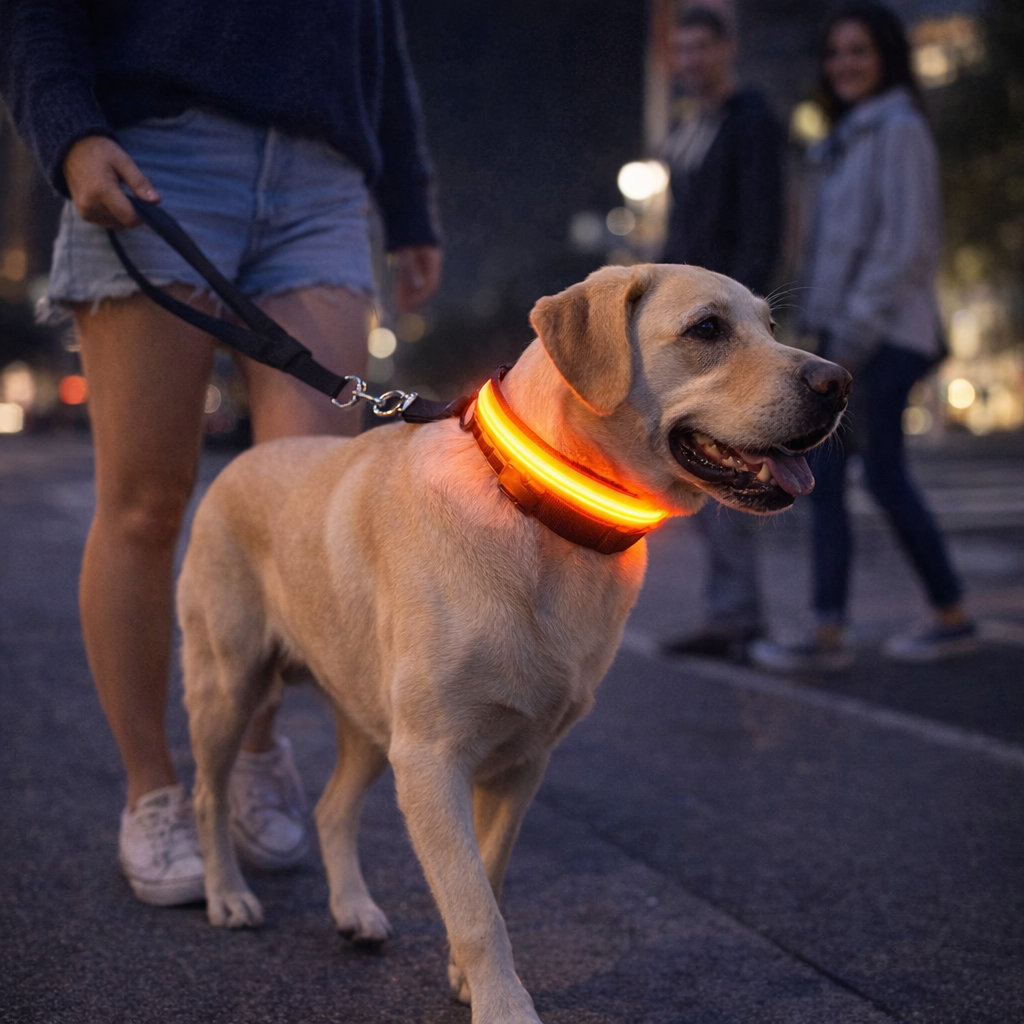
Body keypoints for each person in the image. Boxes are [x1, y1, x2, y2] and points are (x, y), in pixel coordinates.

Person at [0, 0, 441, 905]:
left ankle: (251, 751)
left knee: (306, 521)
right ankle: (154, 792)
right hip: (159, 149)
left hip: (323, 178)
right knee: (144, 503)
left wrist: (410, 205)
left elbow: (379, 38)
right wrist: (68, 130)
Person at [750, 2, 976, 673]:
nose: (844, 64)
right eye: (836, 53)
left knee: (872, 473)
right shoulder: (842, 139)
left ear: (886, 58)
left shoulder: (899, 129)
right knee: (845, 473)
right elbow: (826, 252)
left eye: (859, 52)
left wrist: (848, 336)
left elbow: (905, 245)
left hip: (883, 334)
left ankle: (942, 615)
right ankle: (838, 629)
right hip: (841, 334)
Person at [658, 5, 785, 662]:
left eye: (701, 48)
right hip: (691, 324)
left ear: (727, 49)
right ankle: (727, 614)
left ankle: (741, 619)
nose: (690, 61)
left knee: (738, 457)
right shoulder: (692, 126)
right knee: (706, 458)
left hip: (726, 328)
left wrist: (743, 324)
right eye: (681, 50)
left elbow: (763, 225)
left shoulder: (752, 122)